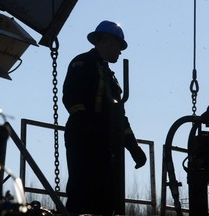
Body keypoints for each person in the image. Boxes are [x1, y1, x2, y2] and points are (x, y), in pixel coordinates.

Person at [62, 20, 147, 215]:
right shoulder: (82, 63)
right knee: (81, 186)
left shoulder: (111, 78)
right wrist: (85, 124)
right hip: (82, 137)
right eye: (118, 46)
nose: (119, 52)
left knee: (107, 194)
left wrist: (133, 147)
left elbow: (120, 118)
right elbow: (71, 96)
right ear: (107, 42)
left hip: (104, 140)